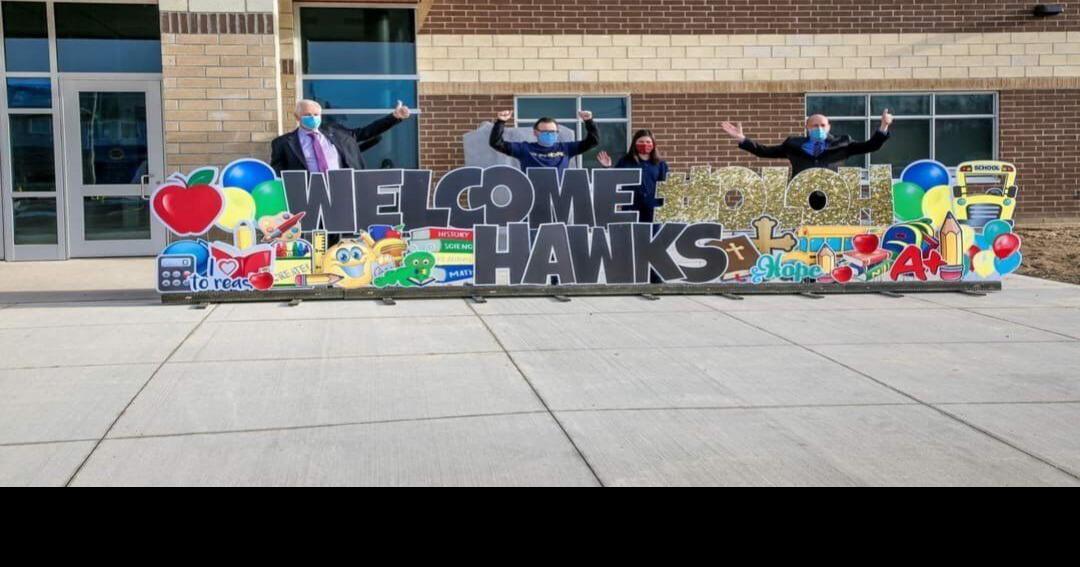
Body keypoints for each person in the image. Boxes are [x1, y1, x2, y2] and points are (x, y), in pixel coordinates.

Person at [721, 109, 894, 178]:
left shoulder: (843, 143)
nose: (819, 128)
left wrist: (884, 125)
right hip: (800, 193)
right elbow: (765, 151)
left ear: (828, 127)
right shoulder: (793, 144)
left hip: (832, 193)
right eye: (815, 125)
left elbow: (871, 146)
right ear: (807, 127)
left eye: (822, 125)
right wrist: (742, 139)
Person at [271, 99, 412, 174]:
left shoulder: (336, 132)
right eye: (308, 115)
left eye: (316, 114)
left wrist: (394, 117)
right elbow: (277, 173)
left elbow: (366, 132)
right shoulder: (282, 143)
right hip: (308, 195)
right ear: (297, 117)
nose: (313, 118)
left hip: (342, 188)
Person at [489, 109, 599, 175]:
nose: (549, 134)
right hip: (532, 197)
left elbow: (593, 141)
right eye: (545, 131)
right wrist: (500, 122)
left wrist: (589, 121)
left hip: (559, 199)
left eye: (552, 132)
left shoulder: (566, 149)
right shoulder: (525, 149)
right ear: (535, 132)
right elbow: (497, 143)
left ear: (557, 133)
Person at [597, 129, 669, 223]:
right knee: (632, 237)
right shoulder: (625, 161)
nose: (645, 144)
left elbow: (666, 187)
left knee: (653, 237)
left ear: (653, 144)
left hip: (653, 210)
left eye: (648, 142)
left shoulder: (660, 164)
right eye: (641, 142)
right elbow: (615, 179)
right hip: (630, 208)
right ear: (635, 143)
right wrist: (607, 167)